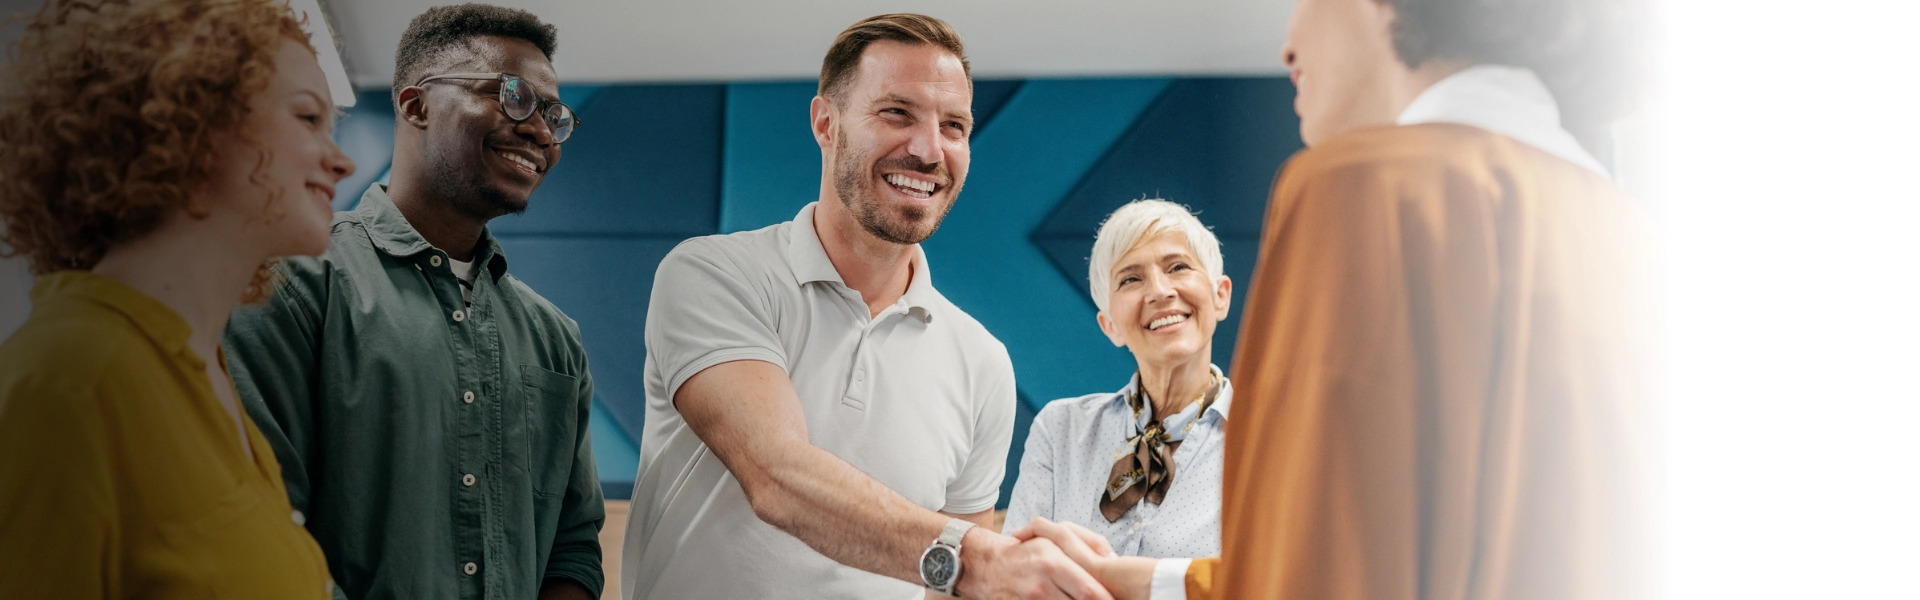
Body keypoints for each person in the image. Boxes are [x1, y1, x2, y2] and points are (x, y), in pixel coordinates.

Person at [1014, 0, 1654, 598]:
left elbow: (1310, 571)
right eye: (1129, 279)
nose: (1288, 44)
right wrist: (1128, 579)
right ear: (1107, 318)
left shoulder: (1362, 188)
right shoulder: (1619, 223)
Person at [621, 13, 1110, 600]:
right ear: (826, 123)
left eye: (954, 125)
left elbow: (952, 589)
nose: (930, 150)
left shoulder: (983, 362)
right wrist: (980, 558)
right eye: (897, 113)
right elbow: (778, 475)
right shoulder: (714, 274)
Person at [221, 4, 603, 599]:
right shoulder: (291, 283)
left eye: (556, 115)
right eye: (513, 95)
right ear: (415, 104)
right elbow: (258, 528)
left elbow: (573, 547)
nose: (539, 130)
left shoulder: (555, 338)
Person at [0, 0, 355, 596]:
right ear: (189, 117)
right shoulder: (71, 377)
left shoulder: (200, 373)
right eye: (307, 117)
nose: (341, 160)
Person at [1002, 199, 1234, 561]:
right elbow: (1013, 575)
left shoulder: (1274, 441)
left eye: (1177, 267)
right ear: (1109, 326)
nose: (1159, 291)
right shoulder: (1060, 430)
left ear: (1220, 296)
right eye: (1130, 279)